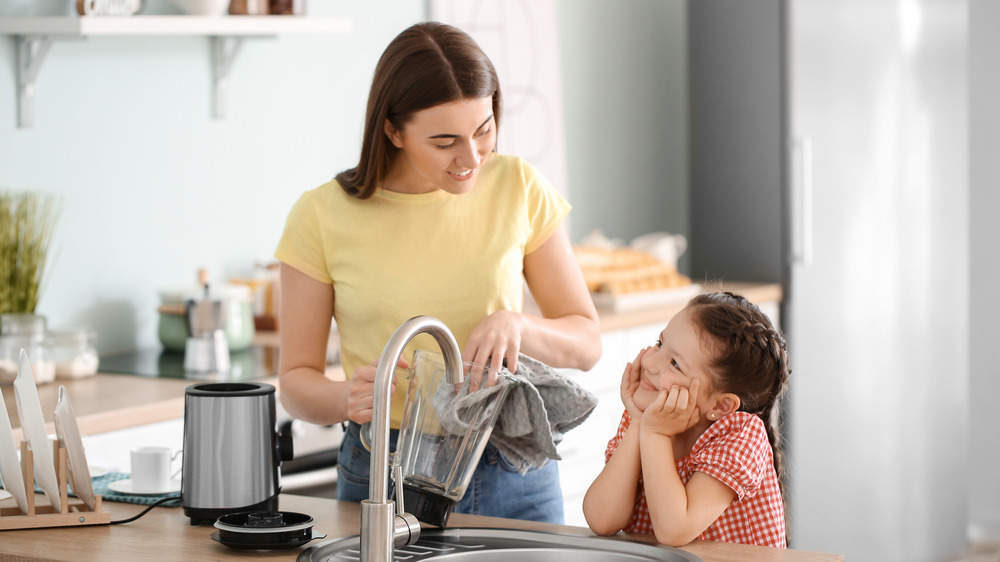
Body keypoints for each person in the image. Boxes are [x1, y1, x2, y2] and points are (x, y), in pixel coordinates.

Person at [274, 21, 601, 524]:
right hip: (383, 470)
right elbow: (296, 382)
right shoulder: (321, 216)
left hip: (513, 466)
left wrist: (518, 325)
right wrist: (347, 397)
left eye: (484, 129)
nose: (470, 158)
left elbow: (585, 342)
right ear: (393, 130)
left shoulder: (519, 187)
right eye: (445, 140)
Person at [583, 291, 789, 547]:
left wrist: (655, 434)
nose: (650, 362)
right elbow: (602, 520)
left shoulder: (741, 436)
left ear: (721, 405)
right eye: (659, 344)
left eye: (674, 363)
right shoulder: (647, 418)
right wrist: (638, 423)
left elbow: (674, 530)